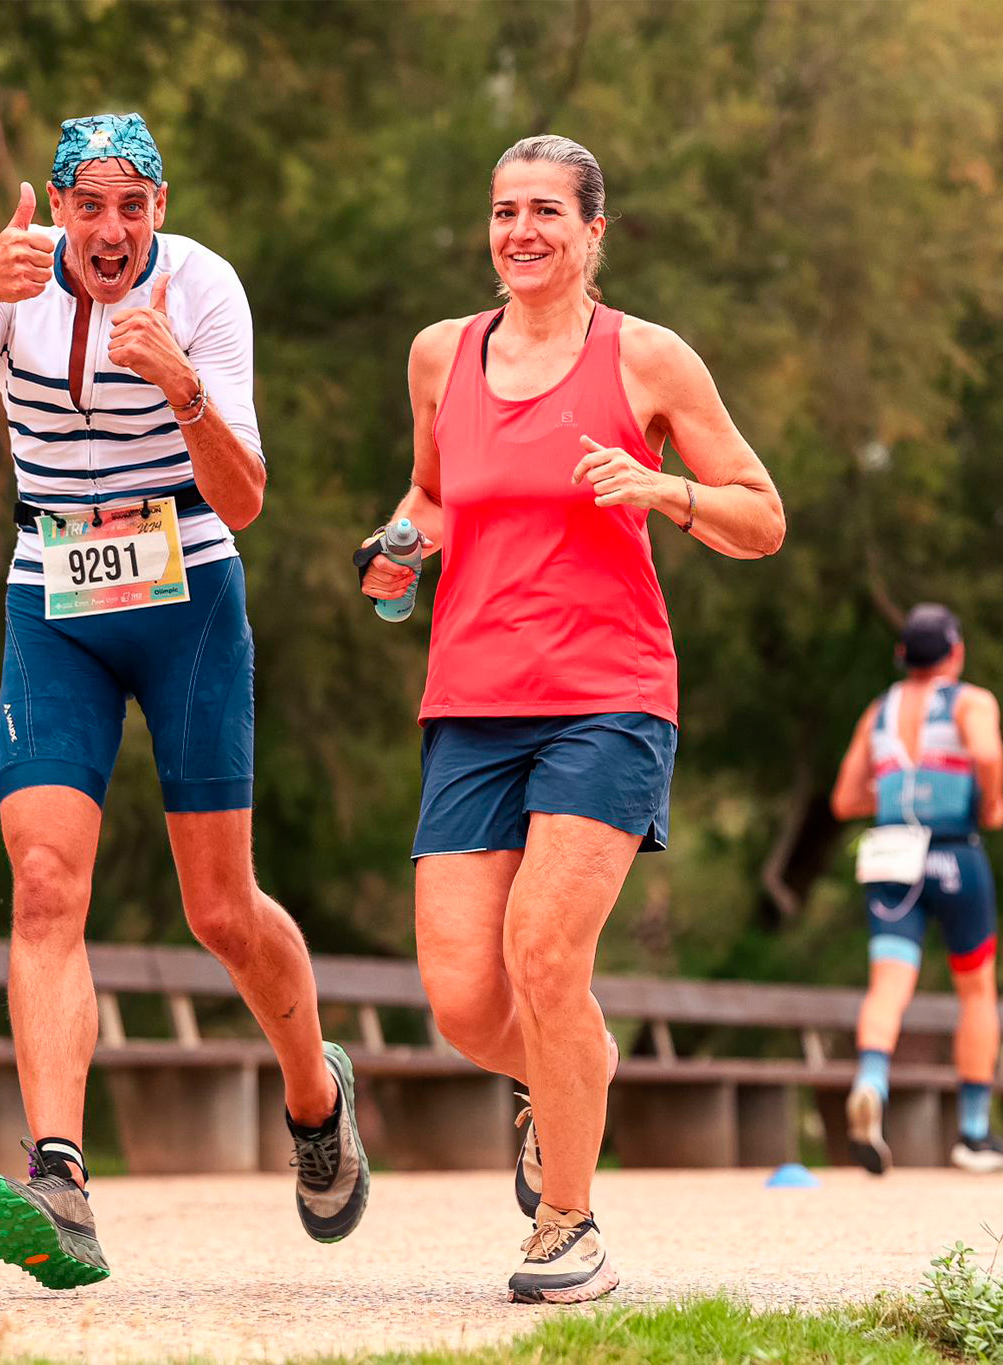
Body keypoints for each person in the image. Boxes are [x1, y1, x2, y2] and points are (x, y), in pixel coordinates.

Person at [0, 113, 367, 1289]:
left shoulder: (204, 288)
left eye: (133, 207)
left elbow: (246, 499)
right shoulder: (0, 273)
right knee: (45, 884)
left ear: (160, 208)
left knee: (218, 909)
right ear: (56, 206)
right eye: (89, 205)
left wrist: (183, 387)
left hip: (186, 591)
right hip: (50, 593)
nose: (111, 230)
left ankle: (316, 1099)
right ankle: (60, 1180)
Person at [360, 135, 784, 1303]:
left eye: (547, 210)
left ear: (595, 232)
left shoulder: (646, 359)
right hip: (470, 701)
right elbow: (435, 495)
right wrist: (401, 549)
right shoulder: (439, 355)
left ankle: (569, 1224)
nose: (521, 231)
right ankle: (575, 1070)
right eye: (504, 211)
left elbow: (761, 516)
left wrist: (664, 491)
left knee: (545, 954)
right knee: (459, 999)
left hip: (607, 697)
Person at [829, 602, 1003, 1174]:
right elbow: (985, 752)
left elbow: (844, 799)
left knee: (888, 983)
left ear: (901, 656)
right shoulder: (971, 701)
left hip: (890, 856)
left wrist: (893, 793)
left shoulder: (879, 710)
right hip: (954, 854)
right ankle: (973, 1132)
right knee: (977, 990)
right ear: (956, 653)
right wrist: (990, 802)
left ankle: (871, 1084)